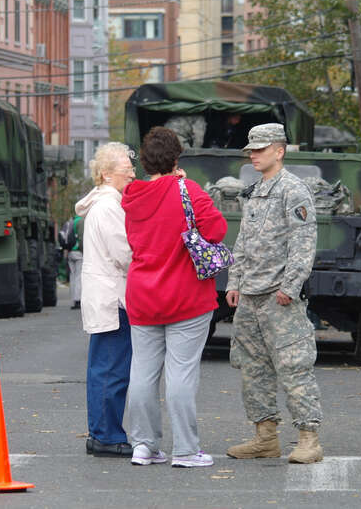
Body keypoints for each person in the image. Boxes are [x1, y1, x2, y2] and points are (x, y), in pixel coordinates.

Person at [122, 126, 227, 468]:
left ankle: (143, 445)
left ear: (145, 162)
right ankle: (184, 450)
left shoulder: (132, 196)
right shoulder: (188, 189)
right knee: (181, 374)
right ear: (176, 158)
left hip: (142, 295)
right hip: (185, 296)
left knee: (142, 372)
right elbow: (216, 230)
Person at [225, 123, 324, 465]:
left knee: (294, 366)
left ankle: (309, 438)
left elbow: (303, 243)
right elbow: (243, 241)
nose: (253, 154)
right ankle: (265, 437)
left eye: (260, 149)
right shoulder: (254, 191)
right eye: (251, 150)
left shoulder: (293, 191)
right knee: (253, 369)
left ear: (279, 151)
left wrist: (290, 286)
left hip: (278, 296)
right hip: (250, 296)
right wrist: (234, 281)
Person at [75, 142, 136, 457]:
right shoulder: (110, 207)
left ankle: (104, 432)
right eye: (127, 169)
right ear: (108, 173)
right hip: (113, 299)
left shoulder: (103, 205)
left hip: (107, 297)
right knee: (111, 371)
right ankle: (106, 436)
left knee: (104, 368)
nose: (132, 174)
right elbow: (125, 253)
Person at [67, 215, 84, 309]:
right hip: (78, 252)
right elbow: (81, 238)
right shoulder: (81, 221)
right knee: (79, 276)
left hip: (70, 252)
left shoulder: (71, 221)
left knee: (72, 276)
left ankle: (73, 300)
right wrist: (84, 251)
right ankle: (78, 299)